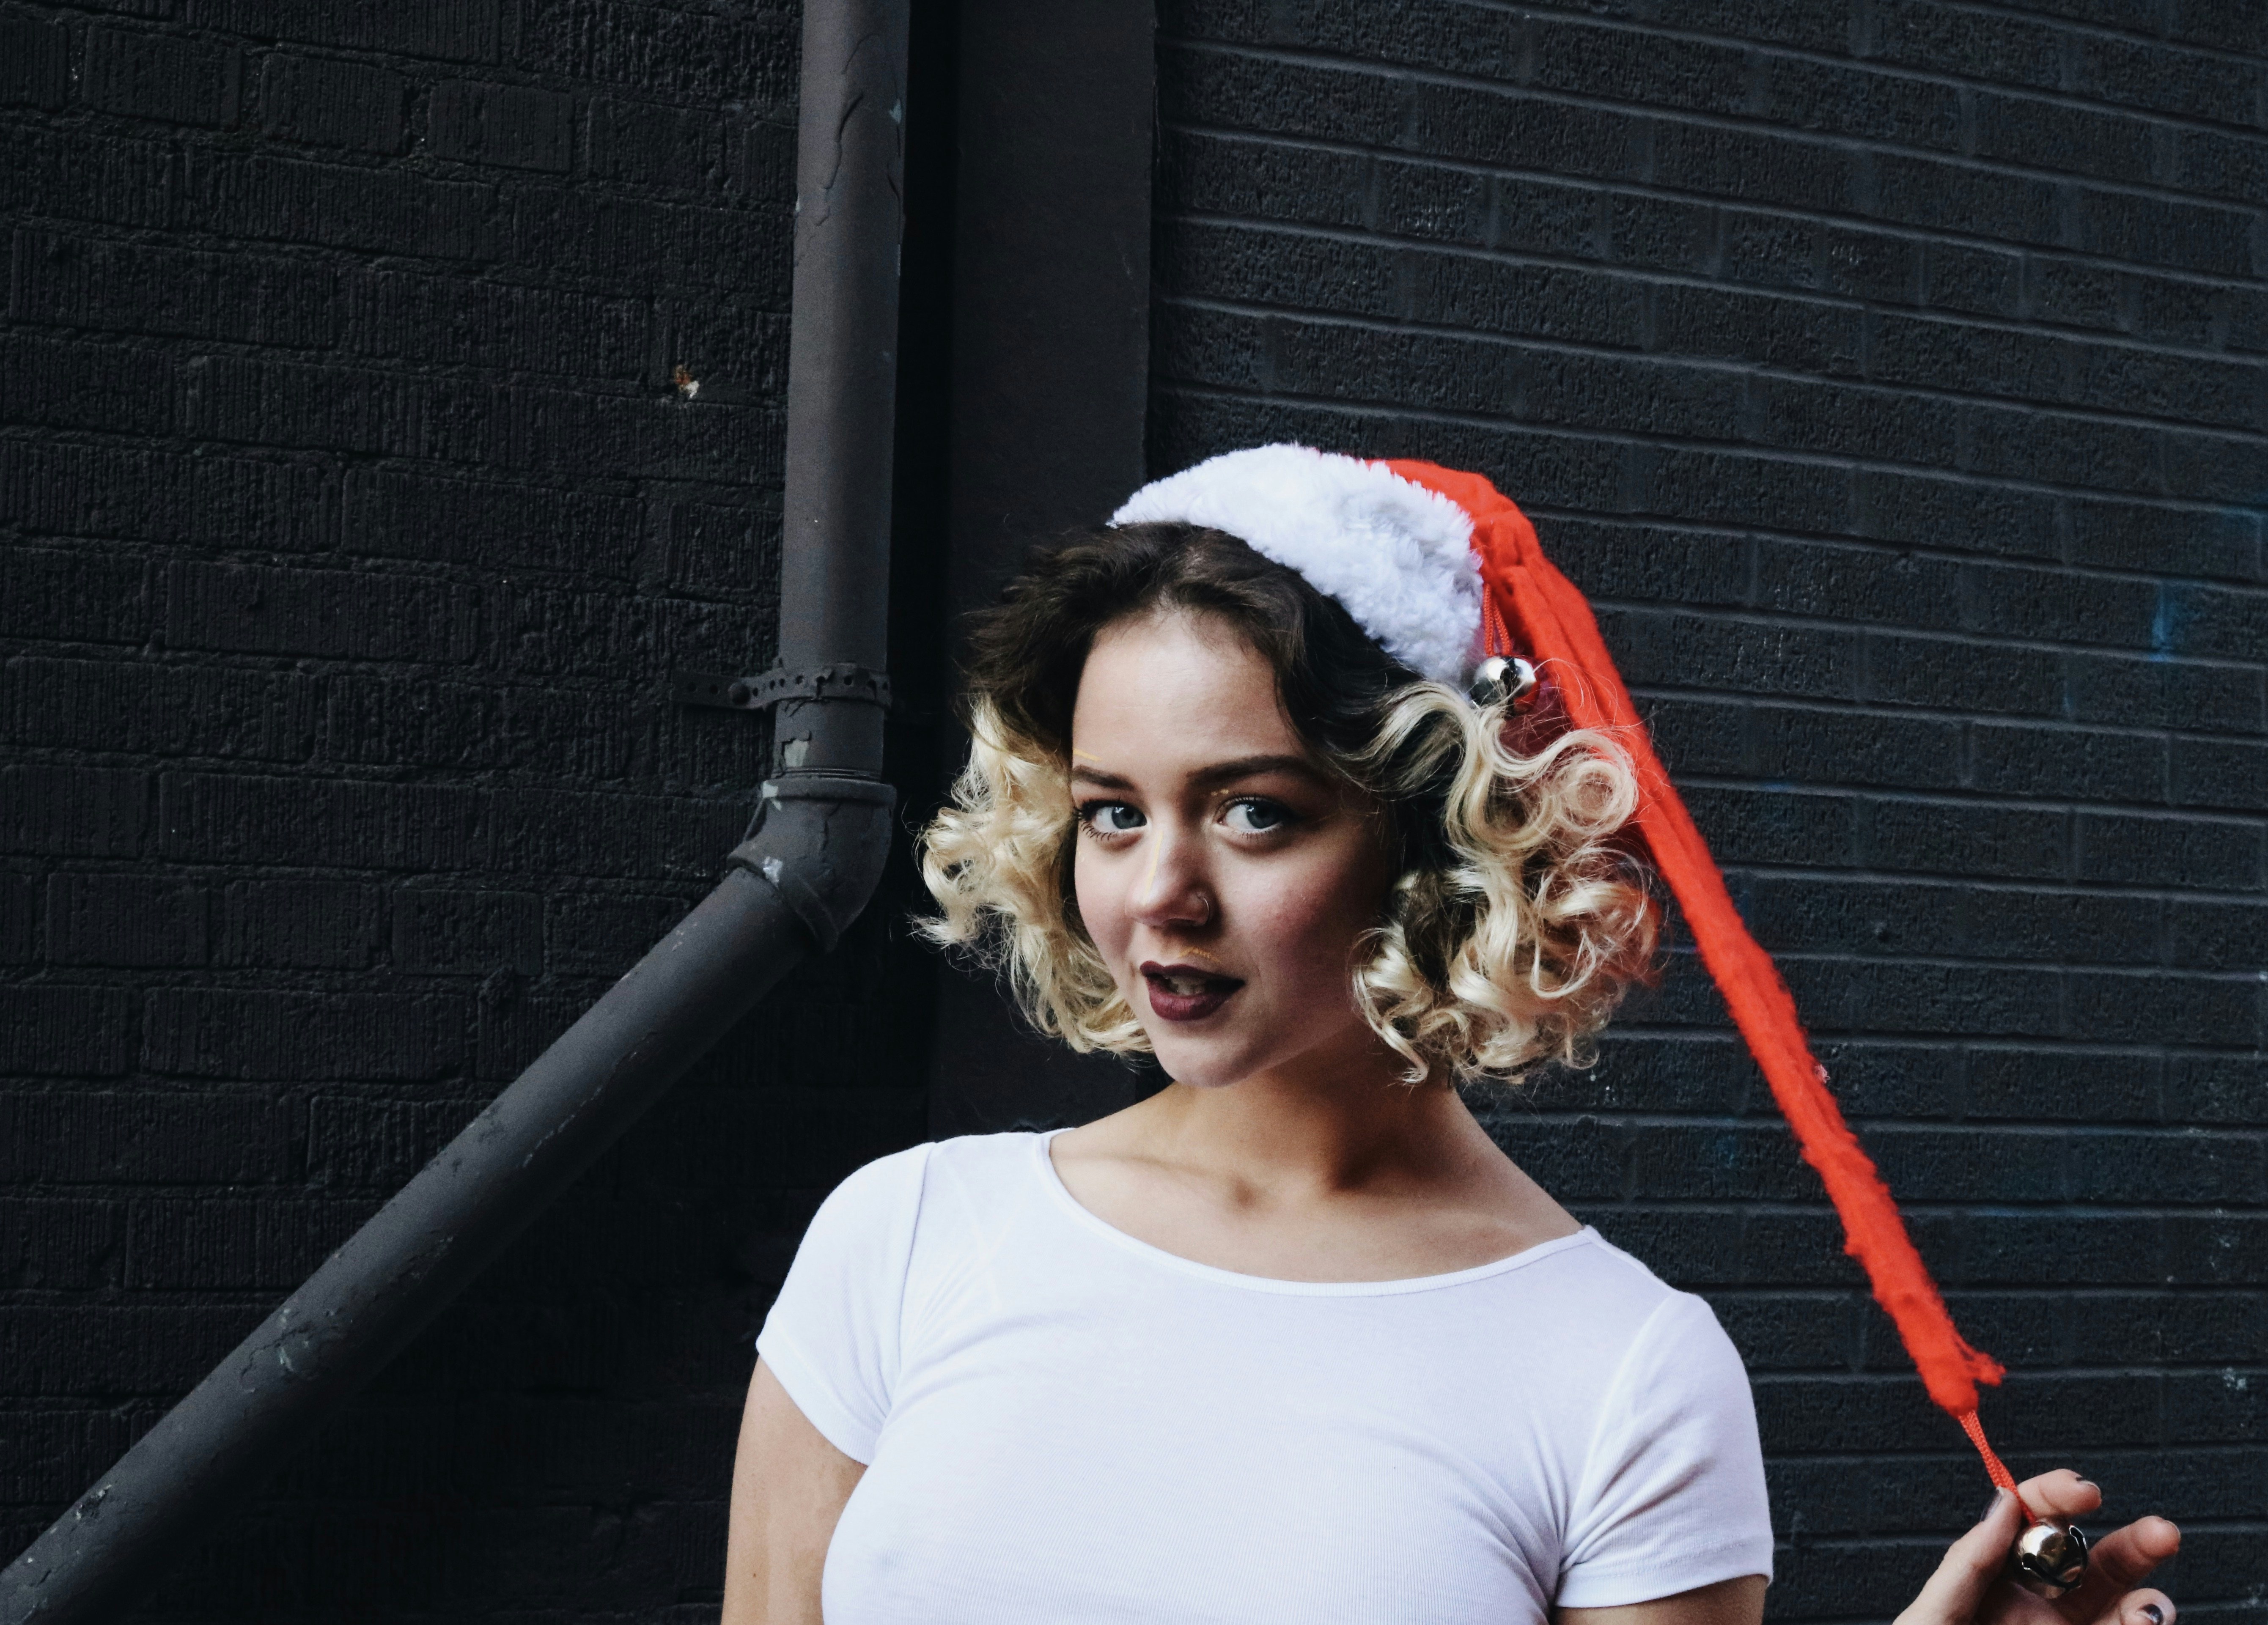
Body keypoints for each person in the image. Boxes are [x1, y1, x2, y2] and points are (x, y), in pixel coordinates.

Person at [718, 447, 2182, 1624]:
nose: (1157, 890)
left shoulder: (1619, 1370)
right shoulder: (907, 1240)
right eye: (1114, 810)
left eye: (1251, 811)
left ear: (1432, 844)